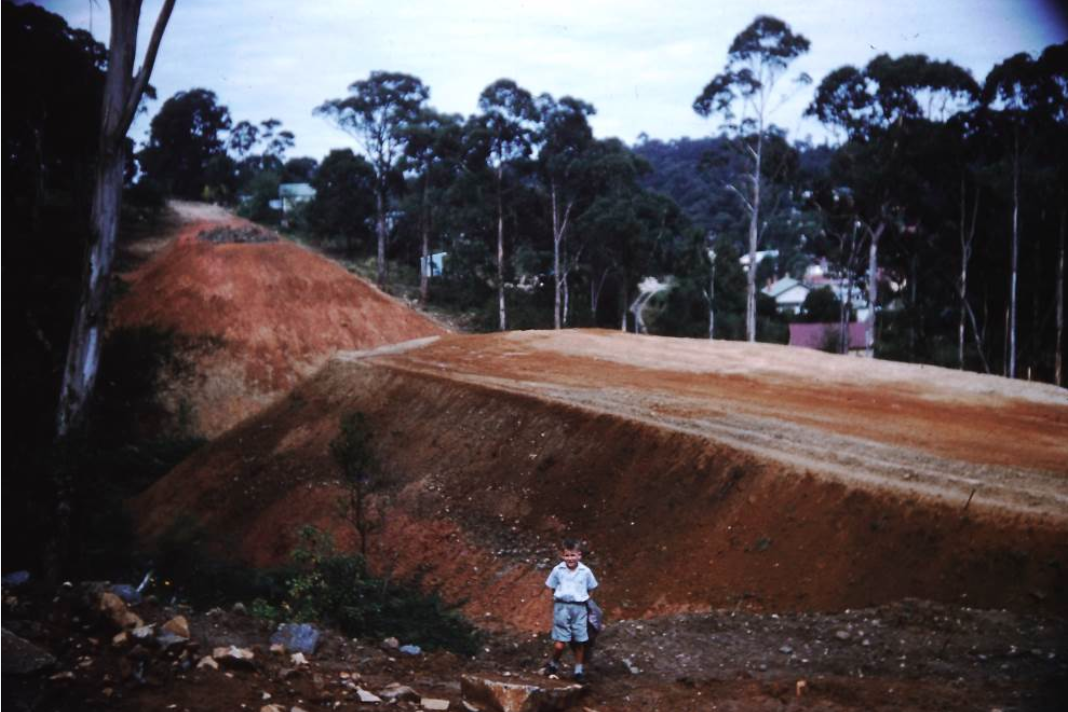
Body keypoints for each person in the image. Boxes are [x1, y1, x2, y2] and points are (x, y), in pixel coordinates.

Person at [543, 538, 599, 682]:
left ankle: (578, 671)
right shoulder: (558, 570)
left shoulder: (585, 571)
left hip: (579, 608)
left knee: (580, 640)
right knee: (561, 642)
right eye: (567, 555)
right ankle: (553, 664)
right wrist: (560, 599)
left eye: (573, 555)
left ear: (579, 555)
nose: (570, 559)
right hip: (562, 607)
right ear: (563, 556)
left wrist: (584, 600)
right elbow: (552, 587)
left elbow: (591, 588)